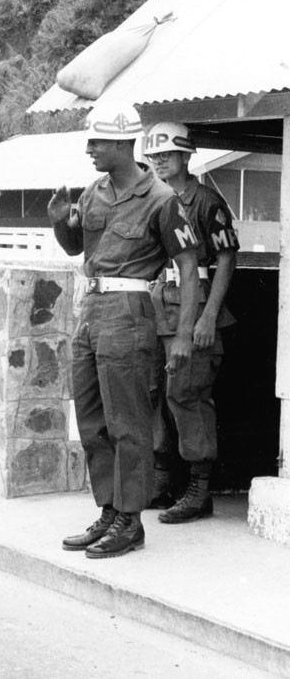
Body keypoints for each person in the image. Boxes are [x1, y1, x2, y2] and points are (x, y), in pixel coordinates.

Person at [47, 102, 199, 559]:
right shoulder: (94, 191)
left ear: (120, 144)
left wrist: (186, 333)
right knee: (92, 421)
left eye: (97, 142)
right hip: (91, 311)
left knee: (127, 422)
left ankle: (131, 521)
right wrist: (59, 220)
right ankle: (110, 512)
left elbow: (189, 268)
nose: (89, 149)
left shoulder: (161, 200)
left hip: (129, 311)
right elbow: (78, 246)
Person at [144, 122, 239, 523]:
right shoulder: (153, 199)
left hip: (194, 305)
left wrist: (208, 316)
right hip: (156, 307)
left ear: (186, 155)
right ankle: (162, 481)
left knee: (187, 394)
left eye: (167, 154)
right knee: (155, 394)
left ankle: (199, 490)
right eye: (155, 156)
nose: (160, 162)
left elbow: (226, 259)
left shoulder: (206, 201)